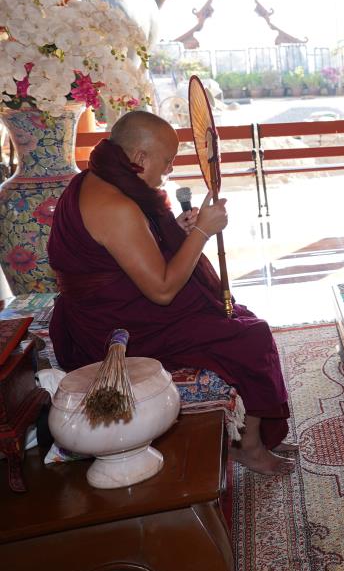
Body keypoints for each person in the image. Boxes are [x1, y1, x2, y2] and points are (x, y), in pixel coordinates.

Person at [47, 111, 293, 475]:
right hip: (115, 330)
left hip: (118, 306)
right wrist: (202, 233)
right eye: (167, 161)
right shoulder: (114, 205)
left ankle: (253, 433)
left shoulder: (97, 178)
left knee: (236, 316)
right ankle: (249, 447)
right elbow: (162, 291)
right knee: (250, 337)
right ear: (140, 158)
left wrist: (174, 231)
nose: (170, 169)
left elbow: (126, 250)